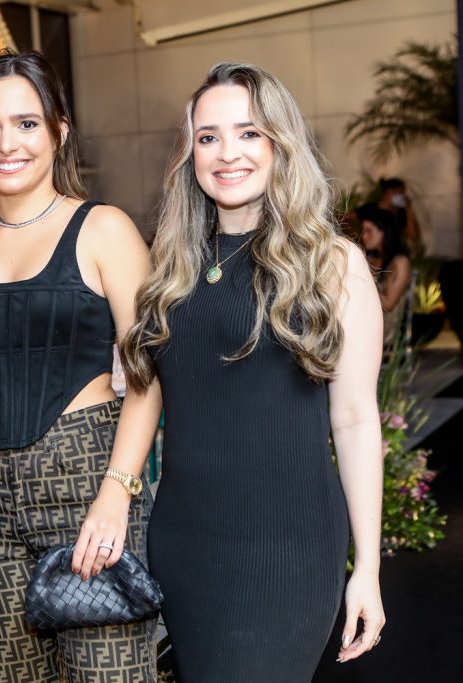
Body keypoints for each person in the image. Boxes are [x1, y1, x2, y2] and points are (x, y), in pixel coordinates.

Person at [121, 62, 385, 681]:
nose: (226, 153)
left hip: (286, 549)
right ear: (191, 154)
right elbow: (154, 382)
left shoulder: (331, 262)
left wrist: (367, 568)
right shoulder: (171, 267)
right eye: (208, 137)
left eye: (248, 133)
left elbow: (353, 421)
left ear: (279, 144)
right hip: (185, 544)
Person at [0, 50, 158, 682]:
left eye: (27, 123)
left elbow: (146, 376)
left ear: (58, 130)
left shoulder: (104, 230)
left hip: (85, 485)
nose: (7, 143)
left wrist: (117, 493)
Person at [358, 204, 412, 346]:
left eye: (369, 231)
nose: (363, 236)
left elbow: (389, 304)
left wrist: (361, 283)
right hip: (367, 319)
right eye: (363, 231)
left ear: (384, 232)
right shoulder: (371, 258)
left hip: (385, 326)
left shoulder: (399, 262)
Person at [375, 177, 419, 244]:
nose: (402, 196)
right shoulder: (371, 209)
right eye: (400, 192)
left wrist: (408, 210)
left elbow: (412, 236)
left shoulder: (401, 212)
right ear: (389, 191)